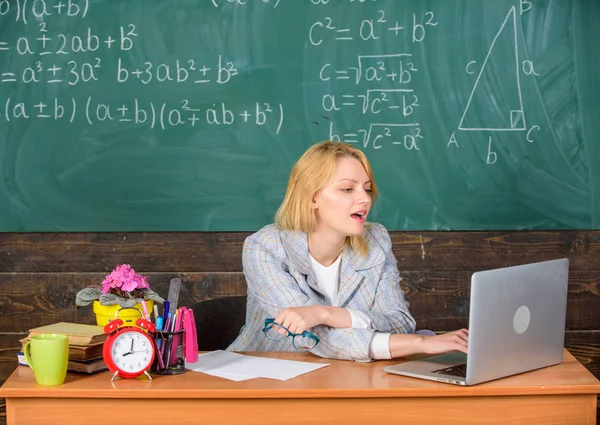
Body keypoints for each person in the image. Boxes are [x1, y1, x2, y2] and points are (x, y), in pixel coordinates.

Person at [227, 141, 468, 361]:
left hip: (347, 376)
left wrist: (326, 313)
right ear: (312, 198)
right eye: (347, 189)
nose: (365, 199)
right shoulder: (264, 247)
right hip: (266, 379)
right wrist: (421, 343)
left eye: (367, 188)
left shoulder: (376, 240)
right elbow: (312, 339)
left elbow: (399, 323)